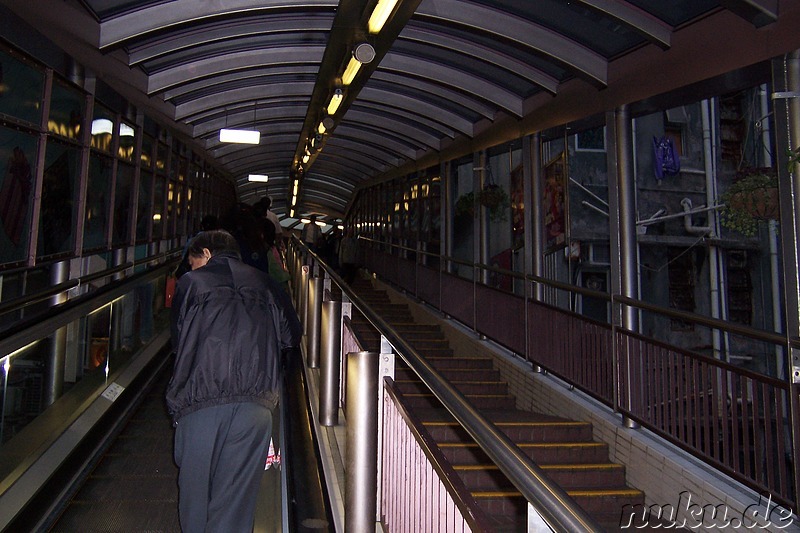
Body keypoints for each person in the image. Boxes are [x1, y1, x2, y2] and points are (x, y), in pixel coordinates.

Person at [166, 229, 301, 532]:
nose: (192, 269)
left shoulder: (191, 284)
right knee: (235, 506)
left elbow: (178, 340)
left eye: (193, 261)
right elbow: (292, 335)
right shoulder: (266, 283)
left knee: (195, 501)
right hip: (255, 406)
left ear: (207, 254)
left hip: (199, 401)